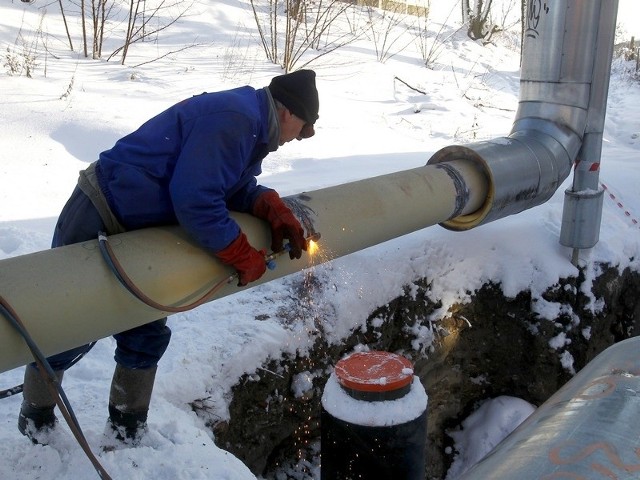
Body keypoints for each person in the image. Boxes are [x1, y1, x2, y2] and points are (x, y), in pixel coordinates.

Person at [18, 69, 320, 445]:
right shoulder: (236, 118)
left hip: (142, 229)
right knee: (67, 323)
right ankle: (37, 418)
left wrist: (265, 203)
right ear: (289, 112)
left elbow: (223, 184)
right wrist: (241, 253)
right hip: (101, 211)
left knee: (145, 327)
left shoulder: (251, 123)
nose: (301, 138)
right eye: (305, 129)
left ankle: (126, 428)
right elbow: (196, 200)